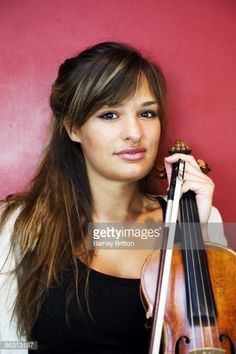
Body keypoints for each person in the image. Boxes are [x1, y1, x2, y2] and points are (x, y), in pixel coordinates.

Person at [0, 41, 227, 354]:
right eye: (109, 115)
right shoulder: (16, 225)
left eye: (147, 113)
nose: (134, 132)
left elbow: (210, 340)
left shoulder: (199, 217)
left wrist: (192, 234)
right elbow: (5, 343)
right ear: (73, 128)